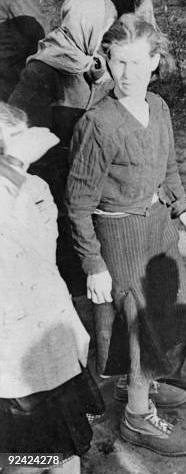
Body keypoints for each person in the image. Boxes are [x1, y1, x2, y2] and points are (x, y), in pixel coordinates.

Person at [65, 14, 186, 456]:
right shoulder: (99, 124)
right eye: (118, 63)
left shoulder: (160, 108)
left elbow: (168, 172)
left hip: (156, 227)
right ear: (106, 62)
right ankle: (137, 416)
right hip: (119, 234)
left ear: (155, 61)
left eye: (137, 62)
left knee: (162, 310)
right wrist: (93, 264)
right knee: (136, 320)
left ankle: (138, 382)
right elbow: (77, 203)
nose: (127, 74)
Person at [0, 102, 104, 474]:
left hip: (51, 343)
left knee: (64, 448)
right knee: (22, 457)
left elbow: (46, 263)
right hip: (13, 363)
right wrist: (12, 162)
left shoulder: (35, 188)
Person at [9, 0, 117, 297]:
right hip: (59, 183)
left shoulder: (92, 60)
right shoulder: (43, 70)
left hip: (92, 178)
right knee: (68, 262)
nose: (107, 37)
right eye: (104, 29)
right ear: (86, 26)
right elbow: (25, 136)